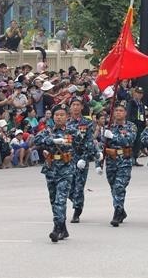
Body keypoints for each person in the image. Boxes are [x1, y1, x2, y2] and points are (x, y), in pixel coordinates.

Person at [33, 104, 87, 242]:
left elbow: (79, 143)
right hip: (51, 168)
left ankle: (57, 229)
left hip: (66, 169)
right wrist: (51, 140)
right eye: (56, 115)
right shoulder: (48, 130)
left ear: (67, 116)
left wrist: (84, 158)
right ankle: (63, 228)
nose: (59, 117)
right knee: (53, 199)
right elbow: (36, 140)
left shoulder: (72, 130)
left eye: (62, 115)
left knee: (60, 200)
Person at [99, 101, 137, 227]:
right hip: (111, 161)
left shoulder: (131, 126)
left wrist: (113, 136)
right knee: (113, 187)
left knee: (119, 187)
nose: (118, 113)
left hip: (124, 160)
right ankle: (121, 209)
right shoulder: (108, 127)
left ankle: (117, 212)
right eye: (116, 111)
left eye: (121, 111)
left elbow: (128, 140)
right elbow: (102, 145)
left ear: (125, 113)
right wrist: (98, 162)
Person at [66, 98, 96, 223]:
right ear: (70, 107)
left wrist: (84, 158)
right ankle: (77, 201)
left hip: (81, 157)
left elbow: (89, 142)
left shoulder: (87, 123)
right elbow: (64, 140)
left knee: (79, 185)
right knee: (68, 187)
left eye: (78, 105)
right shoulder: (66, 123)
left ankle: (77, 211)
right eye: (73, 105)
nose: (76, 107)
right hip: (68, 158)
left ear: (82, 107)